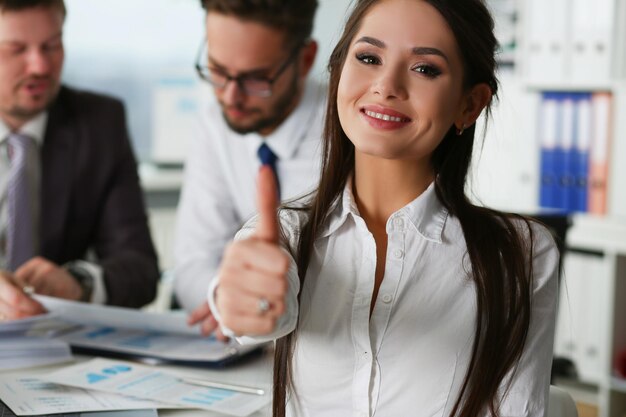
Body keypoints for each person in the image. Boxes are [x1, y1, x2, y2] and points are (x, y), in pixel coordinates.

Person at [209, 0, 560, 416]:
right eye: (369, 58)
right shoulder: (283, 233)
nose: (386, 85)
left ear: (470, 104)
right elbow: (256, 308)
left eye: (426, 68)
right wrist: (245, 303)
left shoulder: (520, 253)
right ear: (338, 72)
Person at [0, 0, 159, 320]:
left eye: (52, 45)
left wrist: (79, 284)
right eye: (16, 49)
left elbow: (140, 270)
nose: (40, 67)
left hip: (56, 345)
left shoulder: (99, 123)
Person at [174, 0, 324, 335]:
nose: (230, 97)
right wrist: (228, 298)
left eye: (256, 79)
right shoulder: (214, 124)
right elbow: (190, 267)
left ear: (306, 60)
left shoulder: (351, 134)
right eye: (216, 69)